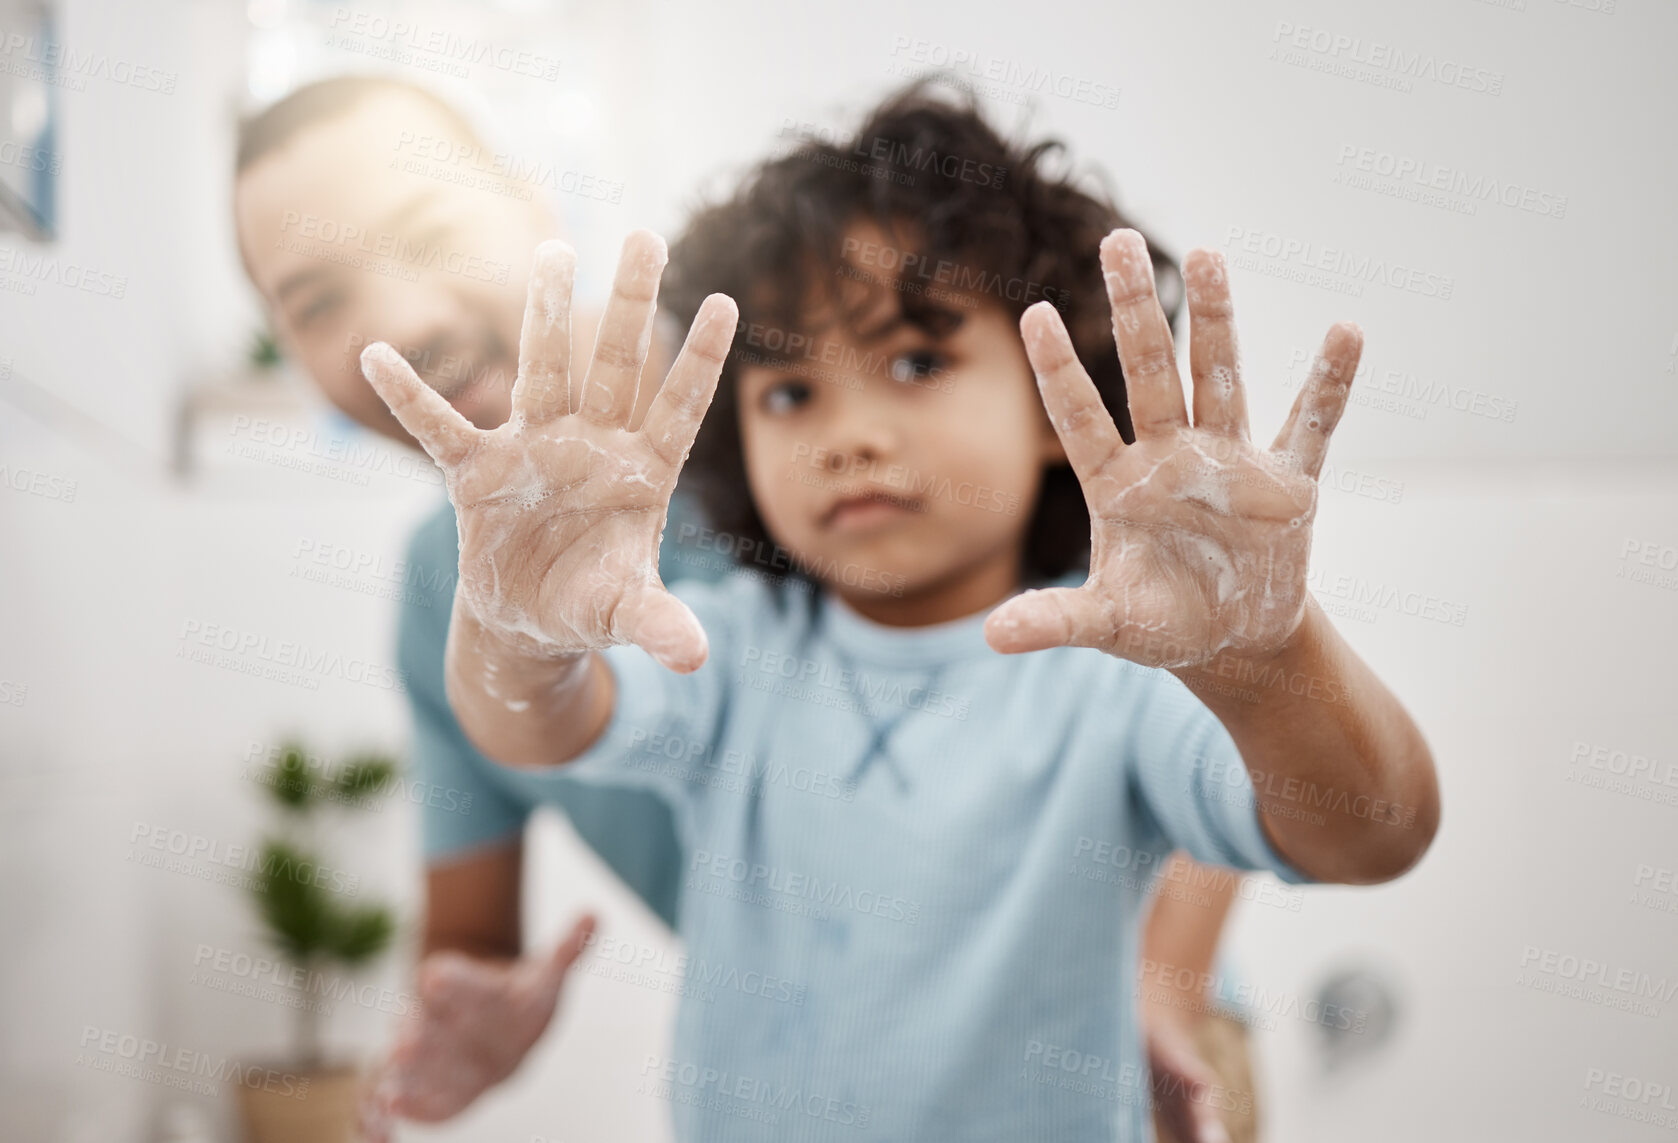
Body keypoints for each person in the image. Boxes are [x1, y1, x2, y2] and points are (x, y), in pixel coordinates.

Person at [359, 84, 1440, 1141]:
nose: (848, 435)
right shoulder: (725, 648)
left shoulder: (1115, 681)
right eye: (790, 391)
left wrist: (1264, 653)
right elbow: (535, 724)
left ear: (1056, 408)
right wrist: (516, 625)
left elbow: (1372, 834)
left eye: (916, 360)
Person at [230, 75, 710, 1125]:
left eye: (429, 230)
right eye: (317, 301)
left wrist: (1163, 997)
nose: (397, 322)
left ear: (535, 205)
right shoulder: (432, 588)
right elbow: (468, 949)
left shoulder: (804, 398)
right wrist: (466, 1023)